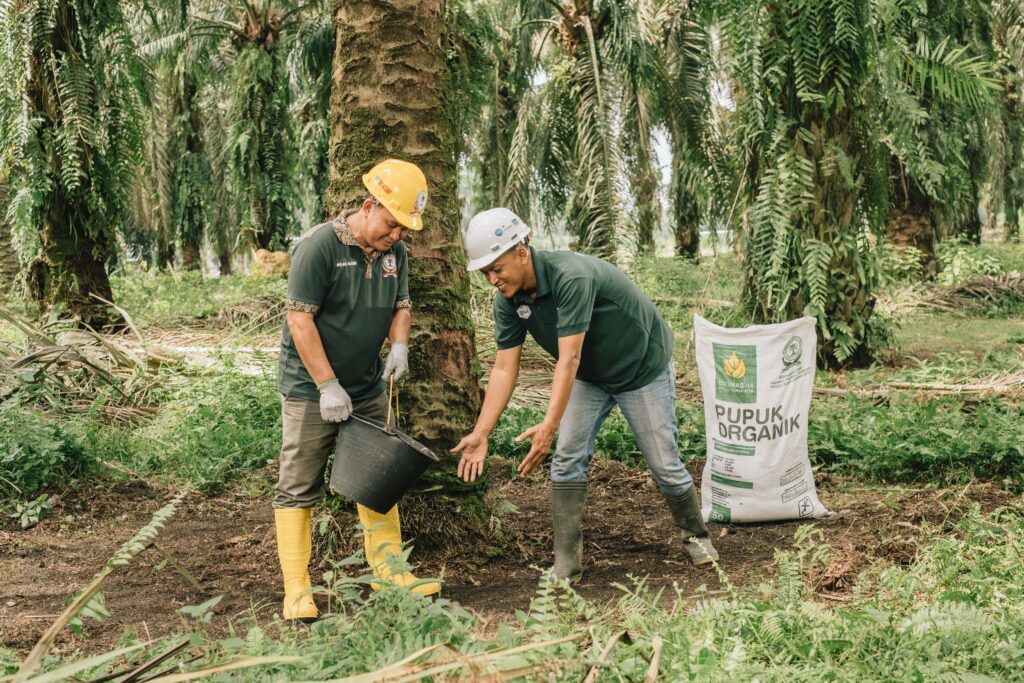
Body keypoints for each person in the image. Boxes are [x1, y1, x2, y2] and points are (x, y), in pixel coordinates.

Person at [452, 208, 718, 582]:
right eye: (485, 273)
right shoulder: (508, 301)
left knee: (663, 462)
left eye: (497, 268)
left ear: (522, 251)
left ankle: (697, 537)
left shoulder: (570, 276)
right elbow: (503, 368)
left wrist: (549, 424)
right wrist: (481, 432)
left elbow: (569, 358)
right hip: (591, 376)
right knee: (567, 459)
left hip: (640, 367)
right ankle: (567, 564)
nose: (492, 279)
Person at [274, 159, 439, 622]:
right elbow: (299, 320)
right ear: (369, 206)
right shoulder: (319, 248)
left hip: (368, 385)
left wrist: (399, 347)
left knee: (380, 475)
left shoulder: (394, 254)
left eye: (405, 229)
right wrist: (327, 385)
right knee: (299, 481)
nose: (397, 236)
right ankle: (297, 589)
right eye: (391, 224)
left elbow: (401, 307)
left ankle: (390, 572)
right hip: (310, 388)